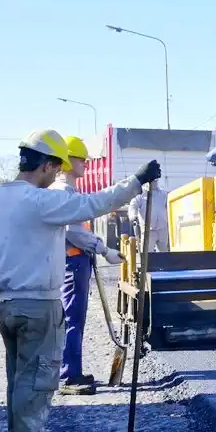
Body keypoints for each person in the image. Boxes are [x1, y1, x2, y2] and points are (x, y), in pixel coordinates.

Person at [0, 129, 160, 432]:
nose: (56, 174)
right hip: (37, 306)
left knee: (19, 379)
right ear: (46, 165)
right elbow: (93, 204)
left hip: (6, 304)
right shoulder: (38, 201)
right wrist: (136, 181)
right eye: (55, 167)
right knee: (37, 382)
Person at [51, 136, 125, 396]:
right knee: (71, 318)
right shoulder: (62, 192)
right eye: (81, 159)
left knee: (75, 318)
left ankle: (73, 371)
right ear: (67, 160)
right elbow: (73, 231)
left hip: (77, 261)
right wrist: (103, 249)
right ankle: (69, 376)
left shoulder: (68, 191)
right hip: (72, 262)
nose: (85, 164)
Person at [127, 178, 169, 252]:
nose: (154, 183)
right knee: (147, 254)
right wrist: (133, 216)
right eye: (152, 181)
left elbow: (169, 206)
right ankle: (148, 263)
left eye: (155, 181)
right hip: (148, 231)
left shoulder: (163, 194)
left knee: (164, 253)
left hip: (162, 229)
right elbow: (133, 206)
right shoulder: (140, 195)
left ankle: (162, 263)